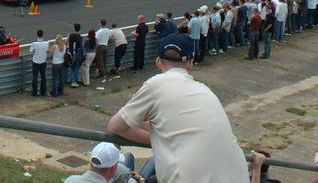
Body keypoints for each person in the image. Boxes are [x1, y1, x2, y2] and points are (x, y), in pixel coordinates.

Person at [106, 33, 249, 183]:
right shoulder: (205, 91)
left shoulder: (156, 85)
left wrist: (156, 140)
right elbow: (175, 127)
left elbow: (114, 127)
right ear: (190, 64)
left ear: (158, 62)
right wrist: (160, 136)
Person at [64, 142, 146, 183]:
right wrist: (141, 179)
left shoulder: (70, 180)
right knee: (129, 157)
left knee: (128, 156)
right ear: (113, 168)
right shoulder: (122, 172)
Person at [30, 29, 49, 96]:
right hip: (43, 61)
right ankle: (43, 92)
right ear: (42, 34)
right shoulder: (46, 43)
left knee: (35, 77)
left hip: (35, 62)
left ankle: (34, 92)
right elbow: (47, 50)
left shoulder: (34, 43)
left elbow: (31, 51)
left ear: (37, 35)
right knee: (43, 77)